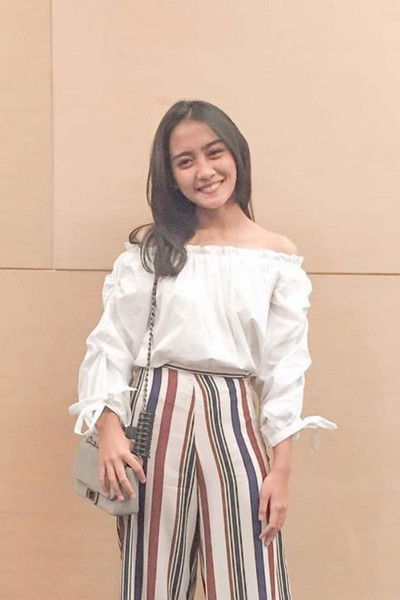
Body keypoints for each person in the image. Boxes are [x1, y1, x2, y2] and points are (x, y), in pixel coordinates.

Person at [68, 99, 338, 600]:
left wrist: (281, 470)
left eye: (214, 152)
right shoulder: (153, 249)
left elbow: (284, 370)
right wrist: (108, 430)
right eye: (185, 161)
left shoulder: (276, 256)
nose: (205, 171)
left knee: (250, 581)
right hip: (154, 417)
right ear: (170, 174)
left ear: (237, 154)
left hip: (234, 417)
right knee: (152, 583)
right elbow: (111, 344)